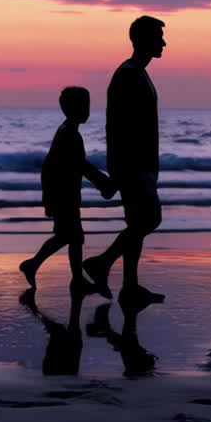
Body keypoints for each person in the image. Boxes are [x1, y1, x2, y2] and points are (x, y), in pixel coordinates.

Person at [82, 15, 166, 309]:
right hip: (133, 164)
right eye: (158, 37)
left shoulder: (138, 73)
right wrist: (125, 169)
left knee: (137, 223)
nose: (164, 43)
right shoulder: (128, 75)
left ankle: (130, 286)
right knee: (150, 219)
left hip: (140, 163)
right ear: (141, 40)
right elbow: (121, 127)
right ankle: (102, 262)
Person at [19, 86, 114, 295]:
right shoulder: (69, 134)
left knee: (67, 237)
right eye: (85, 106)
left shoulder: (67, 132)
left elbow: (74, 165)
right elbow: (79, 166)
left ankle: (38, 266)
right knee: (73, 237)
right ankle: (71, 278)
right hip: (63, 195)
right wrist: (104, 183)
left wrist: (103, 182)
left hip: (65, 193)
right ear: (74, 108)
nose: (88, 110)